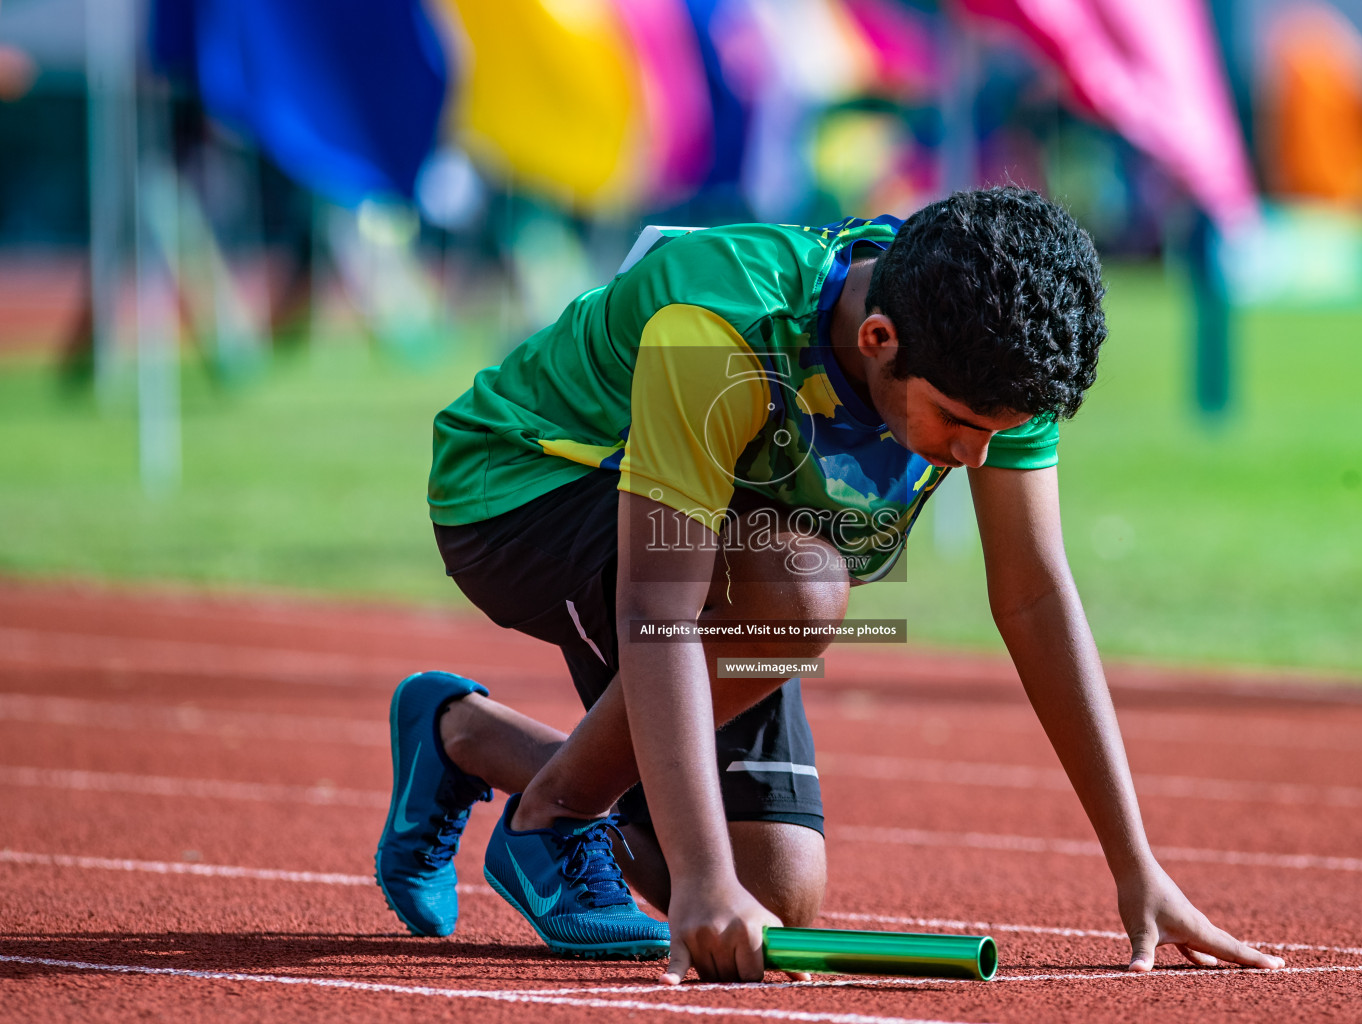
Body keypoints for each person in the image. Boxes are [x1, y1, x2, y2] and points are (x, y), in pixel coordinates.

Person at [373, 186, 1285, 982]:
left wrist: (1136, 863)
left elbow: (1035, 596)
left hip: (732, 530)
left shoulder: (993, 364)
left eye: (1000, 436)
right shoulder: (722, 329)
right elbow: (658, 610)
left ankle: (462, 735)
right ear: (878, 339)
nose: (977, 458)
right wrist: (695, 878)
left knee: (775, 897)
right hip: (521, 491)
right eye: (960, 426)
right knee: (803, 595)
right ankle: (553, 821)